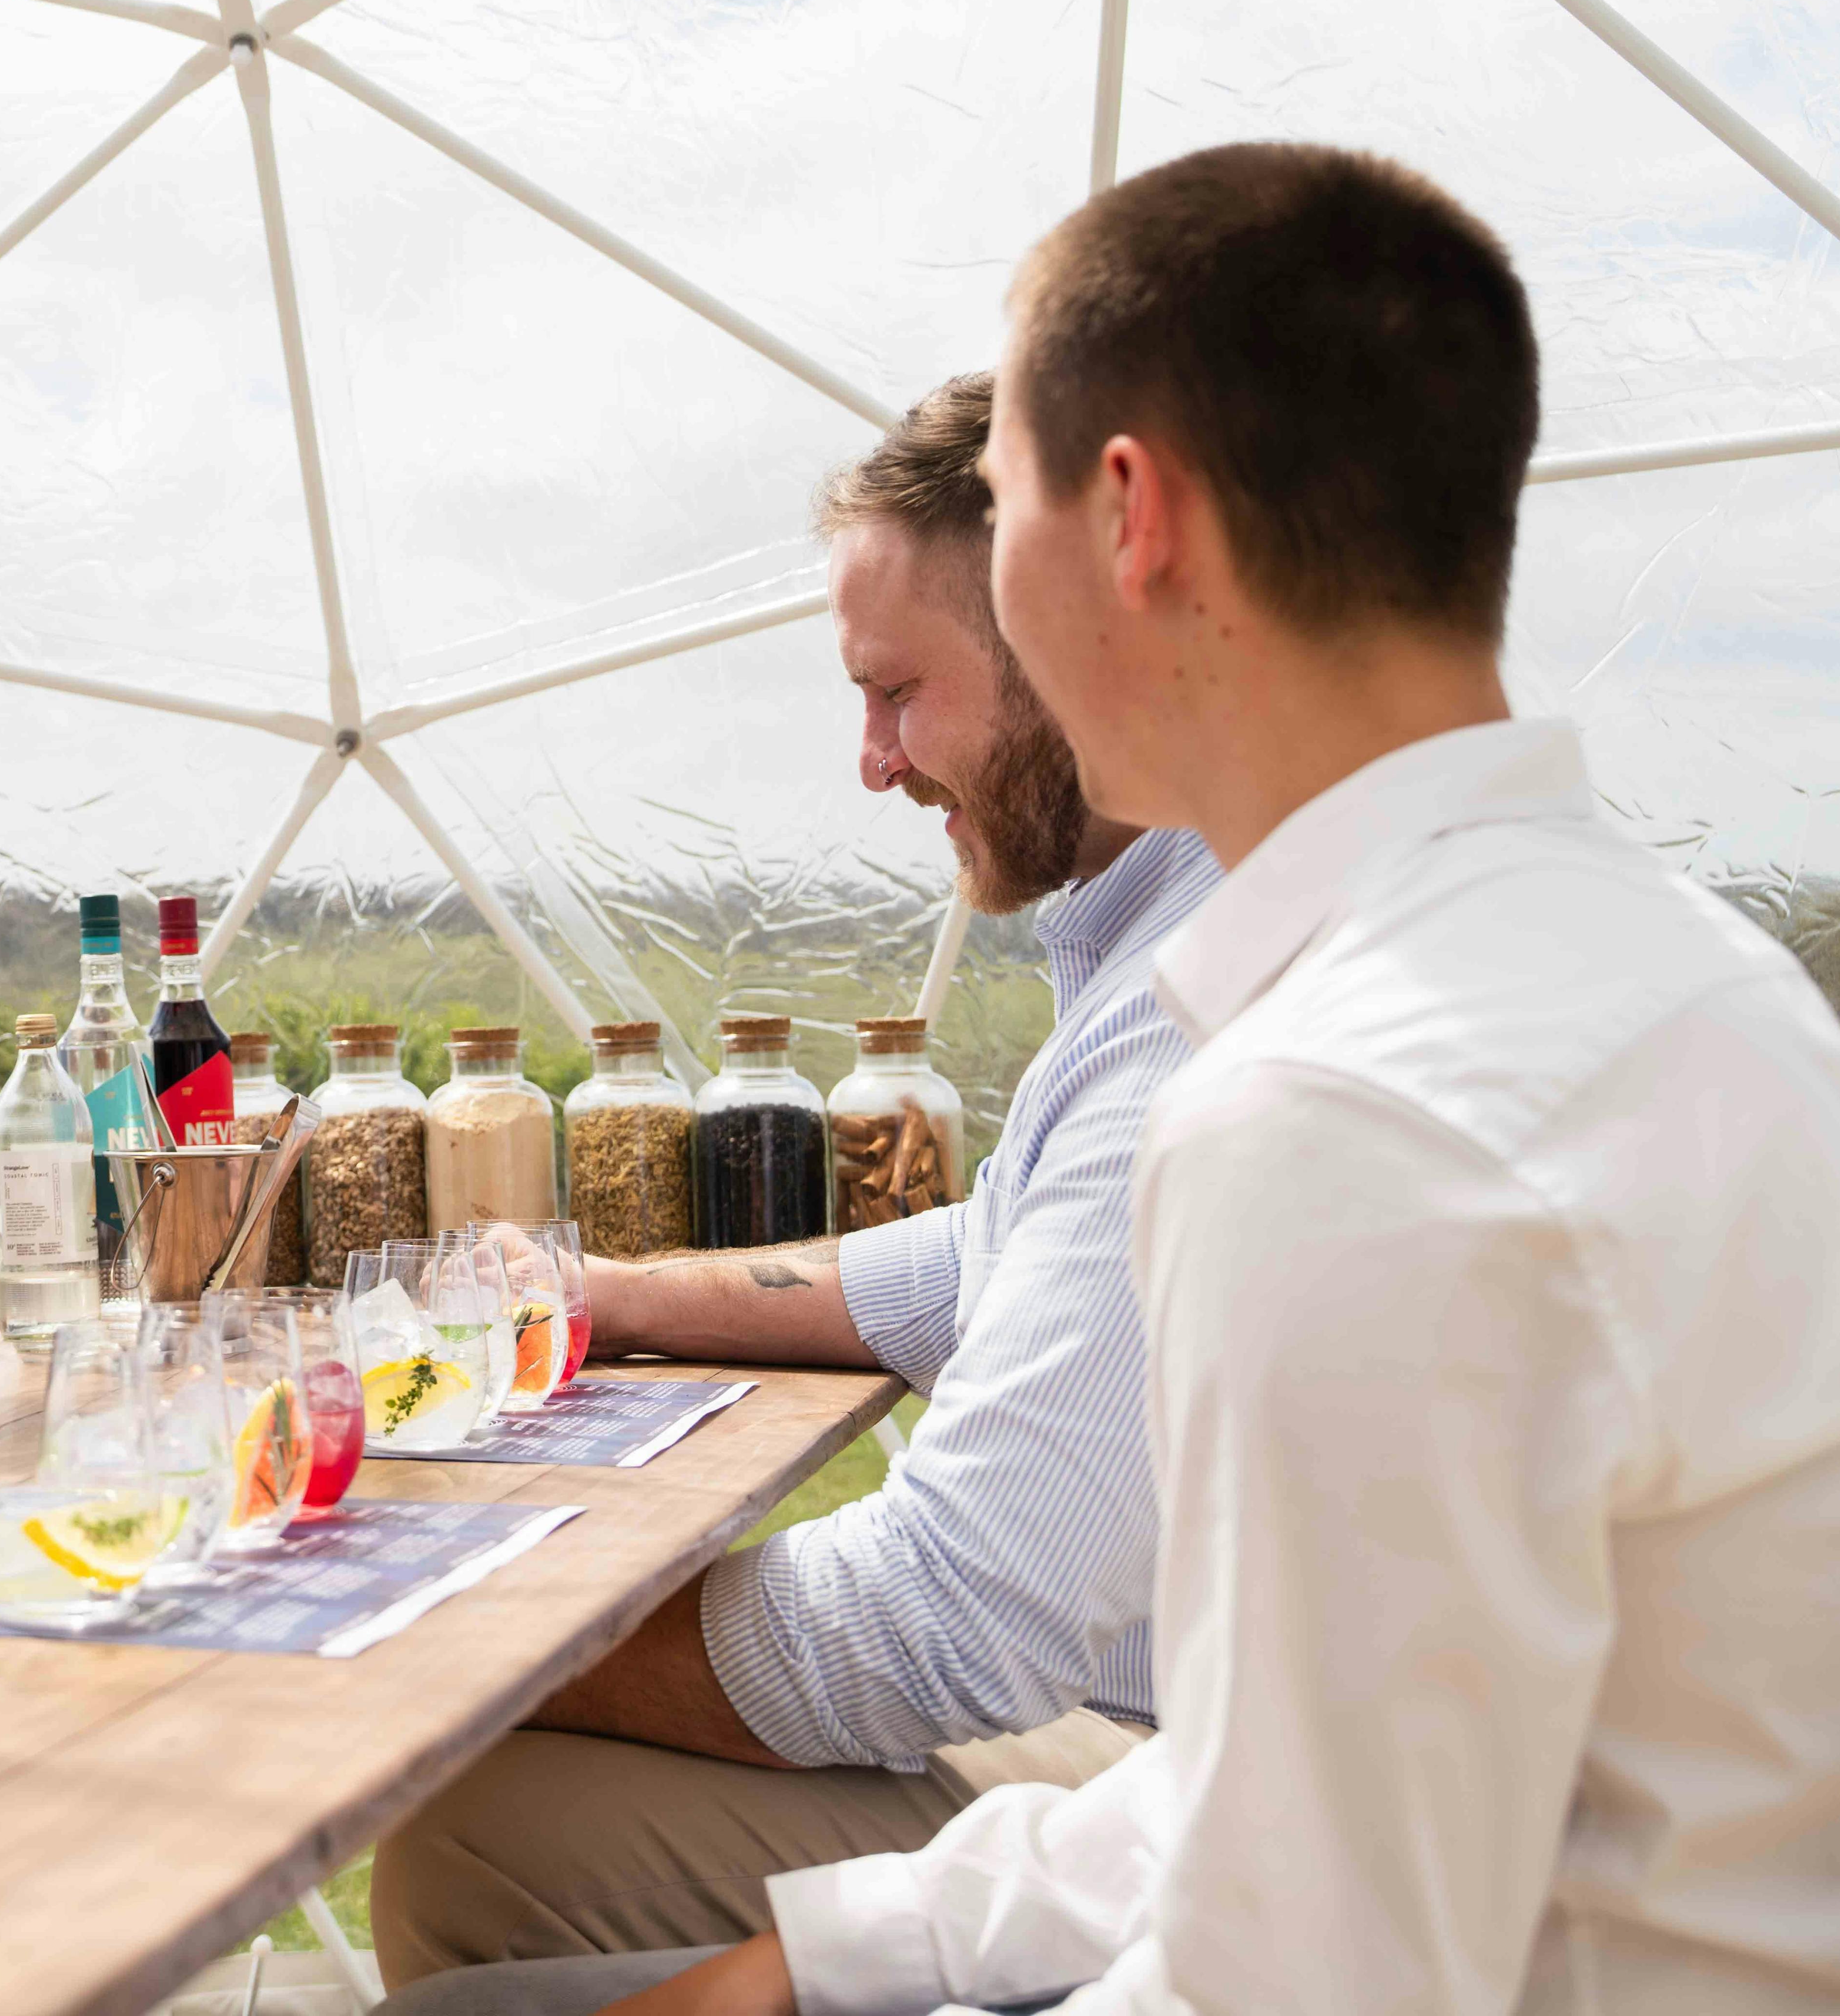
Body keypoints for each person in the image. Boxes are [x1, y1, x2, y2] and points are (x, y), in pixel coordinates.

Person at [553, 143, 1840, 2016]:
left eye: (1012, 513)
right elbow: (1294, 1780)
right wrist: (824, 1956)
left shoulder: (1343, 1116)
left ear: (1131, 521)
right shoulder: (1664, 985)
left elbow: (1291, 1975)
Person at [374, 379, 1224, 1992]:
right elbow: (994, 1256)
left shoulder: (1197, 1002)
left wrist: (449, 1627)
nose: (876, 763)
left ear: (1073, 636)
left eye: (897, 692)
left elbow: (945, 1622)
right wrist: (608, 1294)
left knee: (483, 1830)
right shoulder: (1164, 936)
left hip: (1208, 1810)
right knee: (479, 1827)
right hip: (1181, 1754)